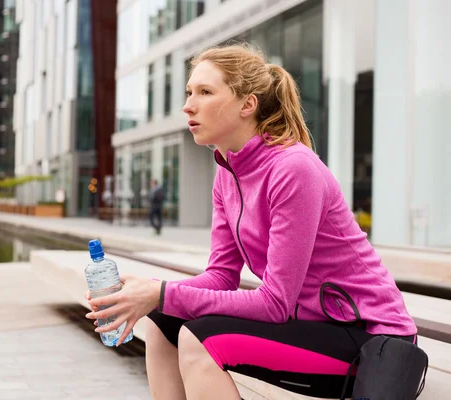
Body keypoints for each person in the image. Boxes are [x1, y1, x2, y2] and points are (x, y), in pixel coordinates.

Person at [85, 44, 417, 399]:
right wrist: (150, 293)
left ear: (247, 105)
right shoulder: (227, 174)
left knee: (200, 340)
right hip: (311, 324)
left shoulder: (293, 168)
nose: (188, 105)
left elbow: (275, 304)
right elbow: (222, 276)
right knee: (163, 323)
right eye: (189, 92)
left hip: (370, 335)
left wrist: (162, 294)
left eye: (205, 92)